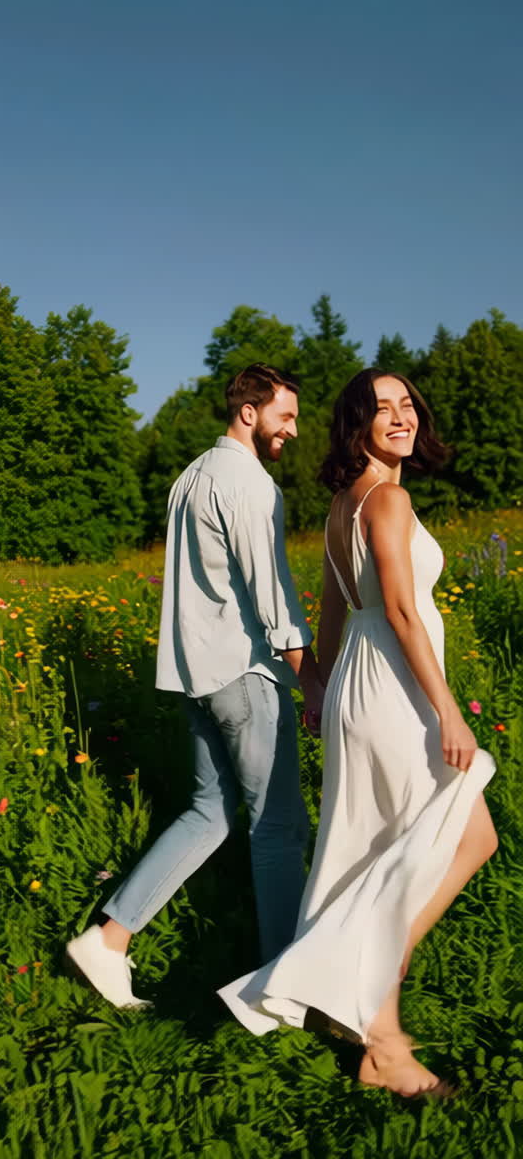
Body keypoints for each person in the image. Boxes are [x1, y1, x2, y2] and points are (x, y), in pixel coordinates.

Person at [218, 369, 497, 1098]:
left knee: (387, 847)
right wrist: (450, 711)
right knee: (466, 838)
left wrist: (322, 689)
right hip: (397, 691)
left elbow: (334, 608)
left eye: (407, 404)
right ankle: (372, 988)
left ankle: (375, 1029)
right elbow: (402, 611)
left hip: (359, 687)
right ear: (357, 426)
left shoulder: (348, 503)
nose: (400, 416)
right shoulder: (390, 498)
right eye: (382, 409)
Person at [67, 363, 325, 1008]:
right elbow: (274, 597)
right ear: (249, 411)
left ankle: (108, 940)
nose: (293, 430)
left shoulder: (191, 476)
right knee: (279, 828)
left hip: (196, 678)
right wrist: (313, 683)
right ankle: (282, 987)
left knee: (209, 814)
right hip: (243, 676)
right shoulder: (247, 483)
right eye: (285, 416)